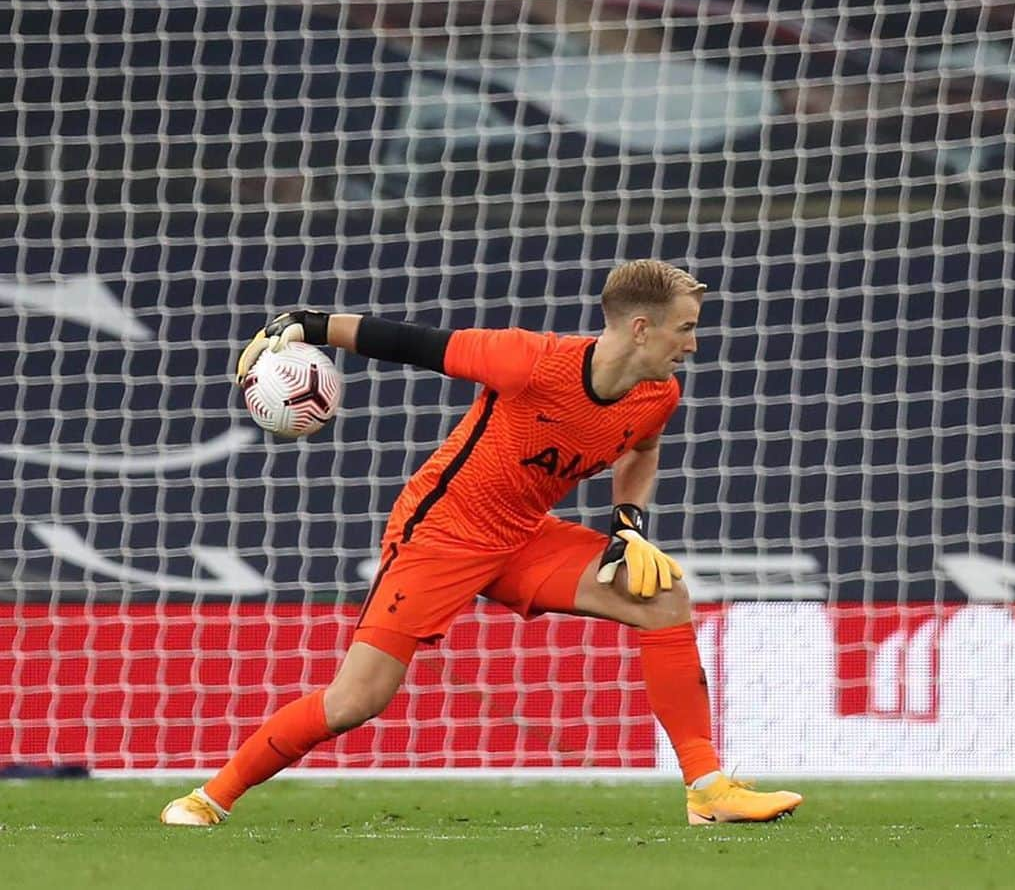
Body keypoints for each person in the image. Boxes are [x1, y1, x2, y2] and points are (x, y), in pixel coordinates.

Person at [159, 259, 803, 826]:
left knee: (662, 595)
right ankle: (210, 796)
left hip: (523, 537)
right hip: (442, 535)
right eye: (685, 327)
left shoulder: (658, 393)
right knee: (356, 702)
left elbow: (643, 450)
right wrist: (306, 323)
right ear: (641, 328)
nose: (692, 344)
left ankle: (706, 789)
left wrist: (628, 525)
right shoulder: (529, 360)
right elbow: (414, 343)